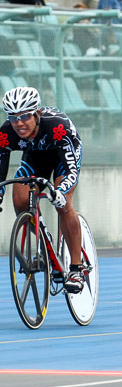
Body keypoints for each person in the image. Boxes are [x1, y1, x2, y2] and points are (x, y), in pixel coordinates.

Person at [0, 87, 85, 293]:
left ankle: (76, 268)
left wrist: (60, 191)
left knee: (63, 205)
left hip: (63, 157)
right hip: (35, 158)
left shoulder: (57, 126)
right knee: (20, 200)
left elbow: (71, 171)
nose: (18, 123)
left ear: (37, 114)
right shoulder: (6, 132)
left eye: (25, 116)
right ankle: (43, 247)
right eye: (13, 117)